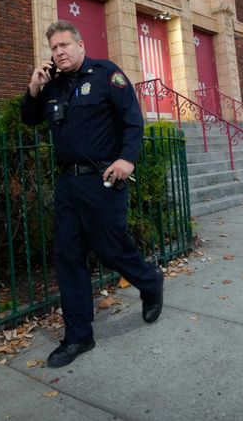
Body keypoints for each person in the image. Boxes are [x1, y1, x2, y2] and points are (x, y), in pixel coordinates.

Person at [21, 20, 164, 368]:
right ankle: (78, 336)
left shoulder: (106, 75)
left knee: (110, 248)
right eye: (54, 48)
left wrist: (127, 159)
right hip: (68, 185)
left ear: (80, 45)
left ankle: (150, 281)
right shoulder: (52, 86)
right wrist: (34, 88)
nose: (59, 53)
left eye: (65, 45)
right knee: (68, 256)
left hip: (103, 179)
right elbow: (29, 119)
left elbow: (132, 120)